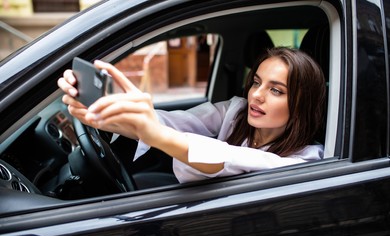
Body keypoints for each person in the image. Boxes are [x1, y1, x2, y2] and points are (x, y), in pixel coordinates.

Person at [58, 47, 326, 183]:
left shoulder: (308, 160)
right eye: (256, 82)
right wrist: (104, 111)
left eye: (276, 90)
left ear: (303, 104)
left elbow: (230, 157)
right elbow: (171, 122)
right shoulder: (236, 111)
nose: (256, 95)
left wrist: (156, 132)